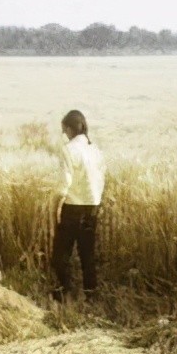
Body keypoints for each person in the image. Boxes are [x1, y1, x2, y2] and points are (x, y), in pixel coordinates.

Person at [51, 110, 106, 302]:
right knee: (87, 253)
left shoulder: (68, 149)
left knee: (61, 253)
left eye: (64, 130)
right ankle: (91, 295)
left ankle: (64, 290)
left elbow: (65, 182)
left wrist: (57, 204)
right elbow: (101, 179)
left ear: (68, 128)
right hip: (92, 206)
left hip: (72, 207)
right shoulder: (95, 149)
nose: (64, 134)